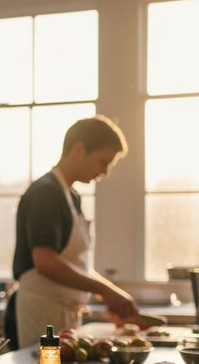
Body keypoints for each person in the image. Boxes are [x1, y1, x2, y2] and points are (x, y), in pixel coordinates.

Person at [11, 115, 138, 348]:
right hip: (42, 310)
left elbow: (74, 264)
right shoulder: (46, 193)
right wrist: (105, 291)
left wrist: (110, 292)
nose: (106, 172)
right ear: (78, 149)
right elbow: (46, 262)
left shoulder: (71, 196)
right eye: (103, 161)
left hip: (63, 311)